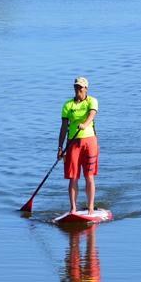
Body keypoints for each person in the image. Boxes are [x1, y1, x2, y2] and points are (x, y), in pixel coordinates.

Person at [58, 76, 99, 214]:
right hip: (72, 143)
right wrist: (60, 147)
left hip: (89, 141)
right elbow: (63, 127)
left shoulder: (92, 101)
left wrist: (85, 125)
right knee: (73, 177)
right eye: (76, 87)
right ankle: (73, 209)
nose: (78, 90)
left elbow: (92, 115)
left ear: (86, 88)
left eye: (80, 87)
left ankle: (91, 208)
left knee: (89, 176)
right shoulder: (68, 105)